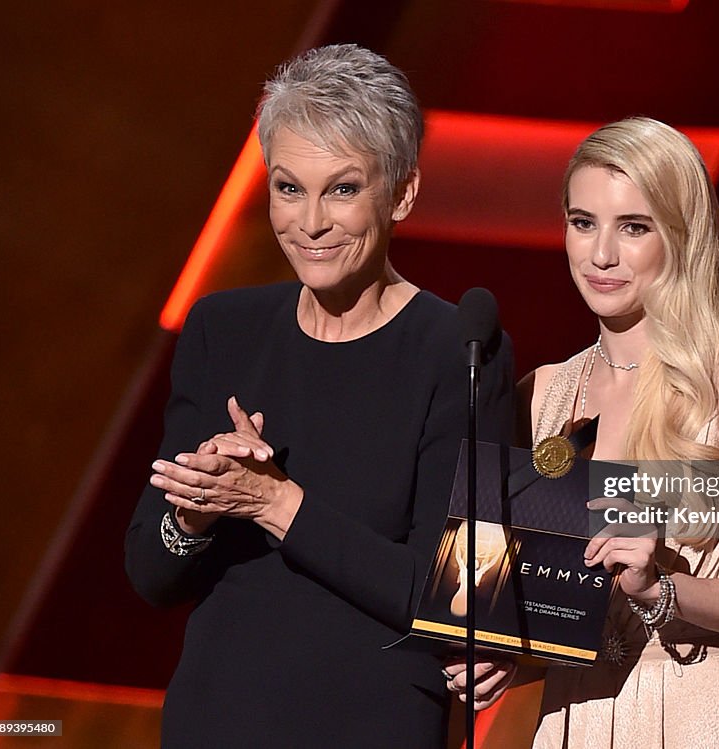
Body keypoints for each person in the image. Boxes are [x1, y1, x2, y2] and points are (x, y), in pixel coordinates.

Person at [125, 44, 512, 748]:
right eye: (287, 187)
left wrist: (275, 502)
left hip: (373, 722)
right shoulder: (223, 330)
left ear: (402, 192)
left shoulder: (457, 348)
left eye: (342, 189)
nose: (310, 222)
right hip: (216, 719)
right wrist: (194, 512)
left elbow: (454, 597)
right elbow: (151, 574)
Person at [445, 117, 719, 747]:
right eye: (583, 223)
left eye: (633, 227)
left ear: (680, 236)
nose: (600, 254)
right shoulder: (541, 393)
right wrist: (504, 655)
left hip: (697, 707)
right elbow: (550, 602)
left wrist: (660, 588)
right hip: (571, 719)